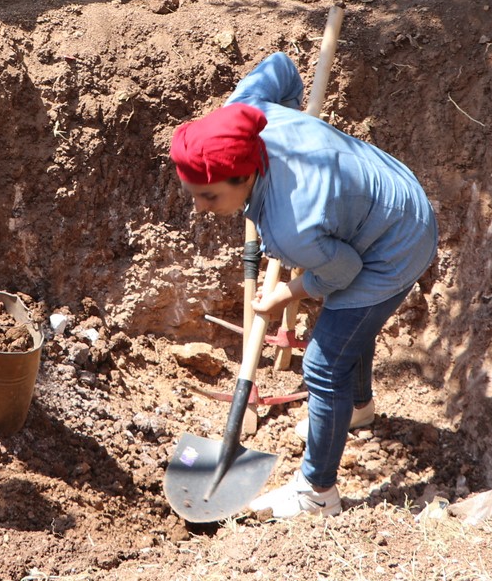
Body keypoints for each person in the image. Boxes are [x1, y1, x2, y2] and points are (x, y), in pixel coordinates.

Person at [170, 52, 439, 518]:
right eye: (194, 194)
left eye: (209, 196)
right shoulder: (244, 114)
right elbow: (280, 68)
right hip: (382, 194)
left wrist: (285, 294)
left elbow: (344, 272)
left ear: (246, 173)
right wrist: (294, 116)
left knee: (321, 365)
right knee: (346, 326)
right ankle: (356, 410)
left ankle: (317, 493)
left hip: (392, 246)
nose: (199, 208)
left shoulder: (293, 225)